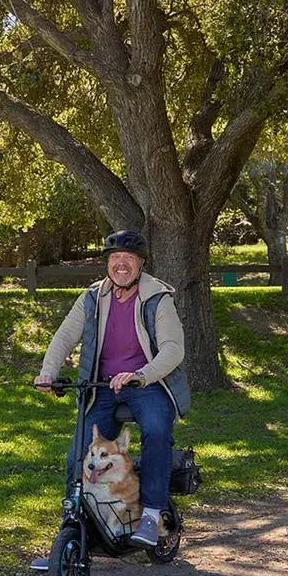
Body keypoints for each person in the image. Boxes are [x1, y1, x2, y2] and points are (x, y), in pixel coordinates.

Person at [34, 230, 191, 550]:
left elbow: (173, 350)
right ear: (107, 263)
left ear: (141, 264)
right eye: (115, 258)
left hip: (146, 383)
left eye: (128, 259)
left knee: (157, 431)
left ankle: (151, 513)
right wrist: (48, 372)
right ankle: (74, 527)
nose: (121, 265)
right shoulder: (91, 298)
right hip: (102, 387)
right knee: (78, 455)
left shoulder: (157, 298)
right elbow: (64, 336)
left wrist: (139, 375)